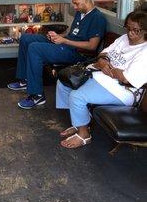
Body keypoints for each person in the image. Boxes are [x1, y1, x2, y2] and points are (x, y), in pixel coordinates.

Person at [56, 10, 147, 149]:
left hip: (122, 91)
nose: (130, 33)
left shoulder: (144, 51)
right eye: (128, 28)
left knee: (77, 96)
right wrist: (103, 61)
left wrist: (108, 68)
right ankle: (79, 122)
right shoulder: (123, 39)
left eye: (136, 30)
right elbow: (104, 53)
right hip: (102, 77)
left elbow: (126, 78)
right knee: (64, 83)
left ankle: (84, 134)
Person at [7, 0, 107, 109]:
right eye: (73, 4)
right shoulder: (80, 13)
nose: (74, 7)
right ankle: (25, 80)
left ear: (86, 1)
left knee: (35, 49)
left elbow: (92, 46)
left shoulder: (98, 18)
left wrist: (64, 41)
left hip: (77, 53)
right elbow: (72, 34)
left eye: (76, 3)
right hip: (65, 45)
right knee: (26, 38)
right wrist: (59, 36)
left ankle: (37, 95)